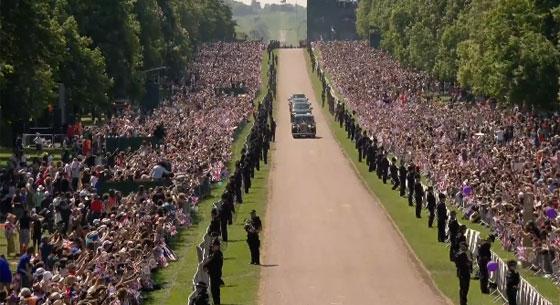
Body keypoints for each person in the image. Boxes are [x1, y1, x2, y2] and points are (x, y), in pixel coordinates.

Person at [203, 239, 223, 305]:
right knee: (215, 291)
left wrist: (205, 266)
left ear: (217, 246)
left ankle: (217, 303)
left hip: (215, 274)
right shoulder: (217, 253)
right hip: (215, 274)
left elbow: (211, 262)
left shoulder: (217, 254)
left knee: (215, 291)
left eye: (214, 246)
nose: (212, 248)